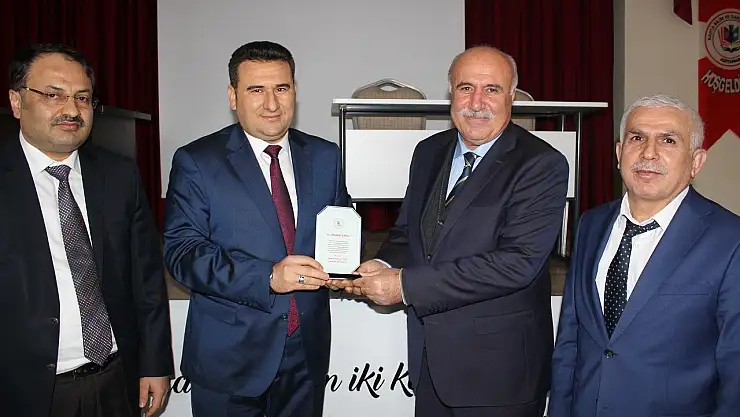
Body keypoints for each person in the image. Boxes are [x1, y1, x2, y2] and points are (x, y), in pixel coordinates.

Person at [338, 46, 569, 417]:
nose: (476, 102)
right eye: (466, 88)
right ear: (451, 93)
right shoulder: (429, 151)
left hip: (500, 375)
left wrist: (405, 286)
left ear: (511, 96)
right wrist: (382, 263)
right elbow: (408, 232)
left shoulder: (541, 164)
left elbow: (516, 264)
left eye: (491, 89)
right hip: (431, 363)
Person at [163, 40, 351, 417]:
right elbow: (182, 254)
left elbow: (341, 225)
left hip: (305, 354)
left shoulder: (325, 155)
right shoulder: (197, 161)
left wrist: (346, 267)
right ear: (233, 97)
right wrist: (267, 277)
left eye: (281, 88)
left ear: (294, 91)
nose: (272, 103)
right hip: (229, 359)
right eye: (256, 90)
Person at [0, 43, 174, 417]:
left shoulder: (118, 175)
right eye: (53, 95)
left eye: (82, 98)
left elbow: (146, 282)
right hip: (24, 391)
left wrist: (155, 363)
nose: (71, 110)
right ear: (17, 102)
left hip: (116, 380)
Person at [549, 94, 740, 417]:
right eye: (637, 138)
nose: (649, 153)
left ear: (696, 162)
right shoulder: (591, 224)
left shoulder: (730, 240)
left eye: (668, 140)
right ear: (619, 153)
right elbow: (571, 339)